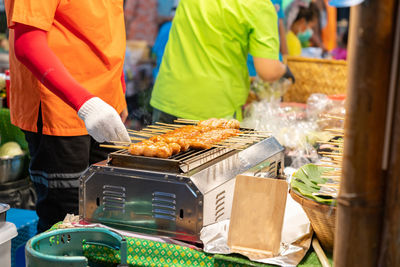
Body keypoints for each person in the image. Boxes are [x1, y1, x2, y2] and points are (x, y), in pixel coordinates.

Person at [4, 0, 130, 233]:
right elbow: (27, 42)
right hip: (60, 110)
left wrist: (117, 89)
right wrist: (87, 104)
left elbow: (104, 25)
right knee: (65, 226)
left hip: (106, 104)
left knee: (110, 219)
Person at [150, 0, 293, 123]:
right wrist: (284, 70)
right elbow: (268, 71)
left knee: (158, 152)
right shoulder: (259, 5)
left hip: (168, 98)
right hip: (215, 110)